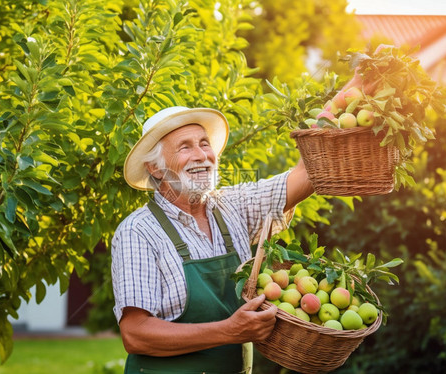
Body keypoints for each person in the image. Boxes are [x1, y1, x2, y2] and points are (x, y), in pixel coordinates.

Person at [111, 105, 315, 374]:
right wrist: (229, 331)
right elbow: (135, 334)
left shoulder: (234, 207)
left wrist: (359, 85)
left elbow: (309, 172)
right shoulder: (138, 230)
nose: (202, 155)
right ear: (156, 168)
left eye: (204, 143)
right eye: (185, 147)